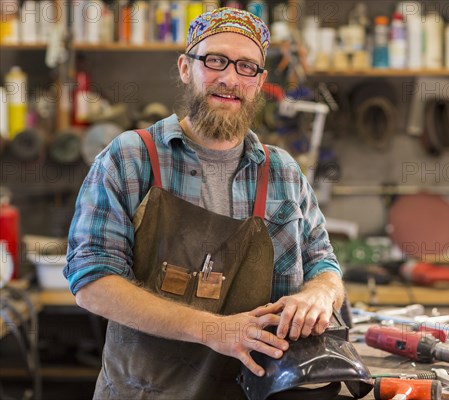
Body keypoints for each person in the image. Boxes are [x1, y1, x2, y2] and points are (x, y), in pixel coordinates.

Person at [63, 7, 344, 399]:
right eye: (215, 60)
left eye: (247, 67)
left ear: (260, 82)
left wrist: (320, 293)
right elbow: (91, 280)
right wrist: (213, 330)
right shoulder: (130, 158)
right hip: (147, 392)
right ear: (184, 67)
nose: (229, 78)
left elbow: (324, 264)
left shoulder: (282, 172)